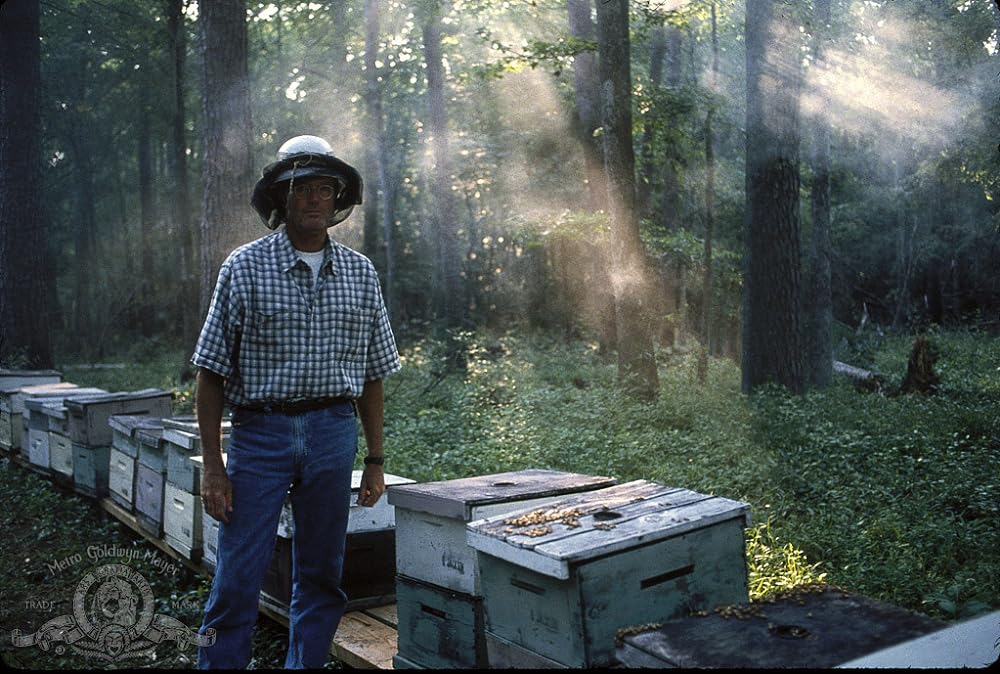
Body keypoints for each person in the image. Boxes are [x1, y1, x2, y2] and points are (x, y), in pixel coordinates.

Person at [191, 134, 400, 669]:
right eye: (302, 187)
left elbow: (373, 375)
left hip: (334, 433)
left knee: (322, 575)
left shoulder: (361, 273)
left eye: (324, 188)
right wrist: (214, 466)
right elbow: (211, 373)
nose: (314, 199)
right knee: (238, 574)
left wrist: (375, 460)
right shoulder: (244, 267)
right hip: (261, 435)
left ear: (337, 199)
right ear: (281, 197)